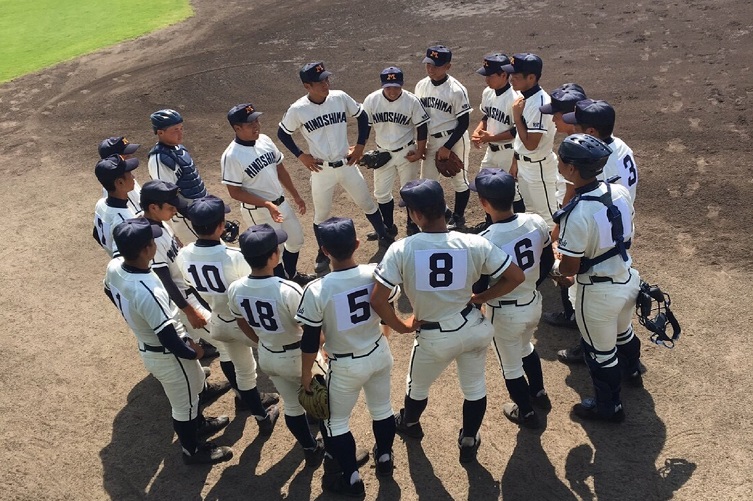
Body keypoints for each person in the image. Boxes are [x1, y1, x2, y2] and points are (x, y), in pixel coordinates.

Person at [371, 179, 524, 464]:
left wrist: (401, 325)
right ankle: (469, 438)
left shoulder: (402, 249)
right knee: (475, 387)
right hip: (473, 327)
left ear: (416, 215)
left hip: (434, 337)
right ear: (444, 206)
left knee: (416, 387)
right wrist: (480, 298)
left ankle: (410, 424)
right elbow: (516, 277)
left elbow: (378, 300)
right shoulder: (473, 241)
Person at [103, 218, 232, 465]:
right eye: (152, 240)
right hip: (167, 355)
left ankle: (199, 424)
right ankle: (192, 451)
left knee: (195, 384)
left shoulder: (115, 266)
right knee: (183, 405)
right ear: (146, 249)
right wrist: (194, 352)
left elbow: (108, 290)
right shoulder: (148, 289)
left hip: (154, 345)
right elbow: (170, 339)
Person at [296, 217, 400, 496]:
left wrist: (306, 375)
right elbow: (388, 303)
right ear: (356, 244)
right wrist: (386, 331)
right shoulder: (375, 272)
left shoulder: (316, 289)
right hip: (379, 353)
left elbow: (309, 339)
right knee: (382, 409)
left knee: (335, 423)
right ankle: (385, 457)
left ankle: (352, 478)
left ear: (324, 250)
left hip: (344, 365)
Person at [551, 134, 643, 422]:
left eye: (562, 160)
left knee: (600, 353)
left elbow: (569, 269)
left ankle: (609, 407)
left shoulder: (577, 213)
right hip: (627, 278)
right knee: (624, 332)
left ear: (572, 170)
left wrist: (557, 266)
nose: (559, 162)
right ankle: (633, 371)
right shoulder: (619, 192)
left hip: (598, 293)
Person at [277, 61, 393, 276]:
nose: (325, 84)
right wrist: (300, 155)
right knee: (320, 215)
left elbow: (362, 115)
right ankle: (323, 253)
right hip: (321, 170)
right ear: (307, 86)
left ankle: (384, 235)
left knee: (367, 202)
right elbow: (283, 133)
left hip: (347, 164)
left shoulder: (339, 97)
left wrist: (360, 146)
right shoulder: (298, 109)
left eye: (326, 79)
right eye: (319, 82)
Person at [177, 195, 281, 433]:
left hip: (217, 320)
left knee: (234, 362)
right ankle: (271, 414)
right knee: (263, 364)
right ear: (221, 226)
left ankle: (252, 408)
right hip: (244, 323)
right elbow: (257, 286)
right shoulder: (235, 256)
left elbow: (188, 284)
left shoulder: (183, 254)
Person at [228, 224, 327, 467]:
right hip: (298, 356)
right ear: (273, 256)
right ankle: (334, 453)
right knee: (325, 404)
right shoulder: (288, 289)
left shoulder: (236, 288)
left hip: (269, 355)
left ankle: (309, 448)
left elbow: (241, 322)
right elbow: (312, 332)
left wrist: (263, 341)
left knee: (292, 406)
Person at [555, 99, 640, 363]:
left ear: (591, 132)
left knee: (589, 293)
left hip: (603, 226)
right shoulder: (617, 146)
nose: (571, 128)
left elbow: (589, 204)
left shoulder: (599, 168)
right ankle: (624, 359)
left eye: (576, 125)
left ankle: (590, 344)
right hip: (619, 219)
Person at [470, 169, 554, 429]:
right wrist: (530, 284)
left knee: (510, 366)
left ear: (484, 203)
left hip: (504, 312)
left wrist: (478, 299)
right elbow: (548, 260)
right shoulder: (536, 221)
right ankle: (538, 392)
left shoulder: (485, 240)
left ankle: (526, 412)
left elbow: (480, 285)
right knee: (526, 347)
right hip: (533, 302)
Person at [221, 102, 315, 285]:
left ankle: (290, 274)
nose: (256, 125)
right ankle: (282, 285)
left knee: (296, 240)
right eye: (250, 124)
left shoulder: (265, 140)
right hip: (259, 211)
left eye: (256, 120)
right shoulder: (231, 156)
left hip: (281, 203)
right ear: (237, 128)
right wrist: (266, 204)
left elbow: (280, 169)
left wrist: (295, 195)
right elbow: (234, 192)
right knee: (272, 253)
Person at [139, 179, 227, 366]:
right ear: (154, 207)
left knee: (199, 341)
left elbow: (176, 244)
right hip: (182, 300)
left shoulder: (159, 222)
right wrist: (190, 311)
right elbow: (164, 280)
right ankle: (243, 394)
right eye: (171, 207)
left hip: (189, 290)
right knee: (225, 345)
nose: (175, 210)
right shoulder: (149, 237)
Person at [538, 83, 588, 333]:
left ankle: (577, 322)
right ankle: (570, 313)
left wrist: (557, 231)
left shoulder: (576, 149)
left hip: (575, 219)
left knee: (569, 269)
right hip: (579, 216)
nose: (553, 119)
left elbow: (571, 195)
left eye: (557, 115)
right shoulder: (581, 142)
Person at [361, 66, 430, 238]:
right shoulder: (372, 100)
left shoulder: (411, 101)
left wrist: (420, 151)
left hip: (407, 152)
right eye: (388, 87)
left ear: (402, 84)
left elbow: (422, 127)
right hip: (382, 153)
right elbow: (365, 127)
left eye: (396, 87)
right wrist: (359, 149)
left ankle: (412, 225)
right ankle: (388, 227)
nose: (392, 91)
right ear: (383, 85)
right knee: (381, 193)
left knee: (409, 191)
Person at [415, 45, 473, 230]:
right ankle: (445, 213)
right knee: (428, 182)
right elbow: (420, 119)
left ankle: (458, 218)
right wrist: (421, 145)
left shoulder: (456, 90)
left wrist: (447, 147)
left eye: (436, 66)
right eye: (428, 64)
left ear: (448, 66)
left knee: (459, 180)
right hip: (432, 139)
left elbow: (463, 123)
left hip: (454, 139)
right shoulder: (421, 85)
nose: (430, 69)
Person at [501, 53, 559, 230]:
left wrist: (517, 118)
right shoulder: (524, 97)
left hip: (538, 168)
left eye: (516, 77)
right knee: (531, 215)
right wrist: (515, 161)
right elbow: (521, 138)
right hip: (525, 166)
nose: (511, 80)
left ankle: (558, 257)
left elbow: (531, 144)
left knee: (548, 219)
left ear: (532, 78)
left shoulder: (540, 104)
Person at [470, 53, 524, 232]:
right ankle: (491, 224)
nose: (486, 79)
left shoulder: (515, 98)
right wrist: (479, 130)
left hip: (509, 152)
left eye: (490, 75)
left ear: (503, 75)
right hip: (491, 151)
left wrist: (490, 138)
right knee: (485, 187)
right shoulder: (488, 92)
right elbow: (487, 115)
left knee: (512, 194)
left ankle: (516, 229)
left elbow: (518, 130)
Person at [148, 109, 208, 245]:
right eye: (175, 130)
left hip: (199, 209)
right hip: (184, 217)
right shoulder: (159, 159)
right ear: (160, 132)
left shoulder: (179, 149)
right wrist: (196, 217)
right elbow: (166, 194)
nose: (180, 133)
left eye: (181, 128)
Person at [563, 99, 638, 201]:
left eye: (576, 127)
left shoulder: (597, 163)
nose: (573, 130)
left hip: (609, 212)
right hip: (625, 207)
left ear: (591, 131)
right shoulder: (620, 144)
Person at [93, 154, 141, 257]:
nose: (133, 177)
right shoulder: (124, 221)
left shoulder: (100, 204)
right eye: (129, 174)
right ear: (120, 182)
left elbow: (96, 234)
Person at [98, 136, 142, 213]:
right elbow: (138, 214)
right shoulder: (121, 187)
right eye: (126, 155)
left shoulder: (124, 178)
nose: (130, 157)